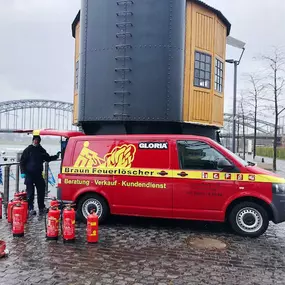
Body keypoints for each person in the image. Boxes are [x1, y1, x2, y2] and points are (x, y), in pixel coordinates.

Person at [20, 135, 60, 216]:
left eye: (38, 140)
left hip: (38, 174)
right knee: (30, 192)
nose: (36, 141)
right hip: (29, 174)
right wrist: (23, 172)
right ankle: (30, 208)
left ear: (39, 141)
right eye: (35, 140)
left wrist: (56, 156)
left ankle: (41, 207)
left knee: (41, 190)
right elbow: (22, 162)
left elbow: (48, 158)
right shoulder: (28, 150)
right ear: (33, 140)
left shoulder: (41, 150)